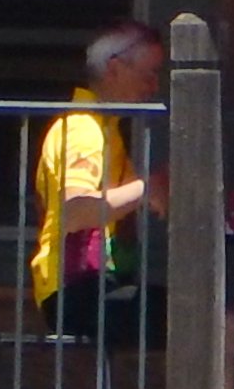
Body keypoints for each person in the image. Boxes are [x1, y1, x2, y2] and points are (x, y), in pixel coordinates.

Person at [33, 23, 167, 345]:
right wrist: (148, 188)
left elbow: (134, 198)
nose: (154, 86)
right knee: (213, 318)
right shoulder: (83, 130)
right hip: (76, 293)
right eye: (149, 74)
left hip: (93, 287)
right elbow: (77, 211)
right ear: (114, 69)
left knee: (204, 311)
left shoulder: (106, 130)